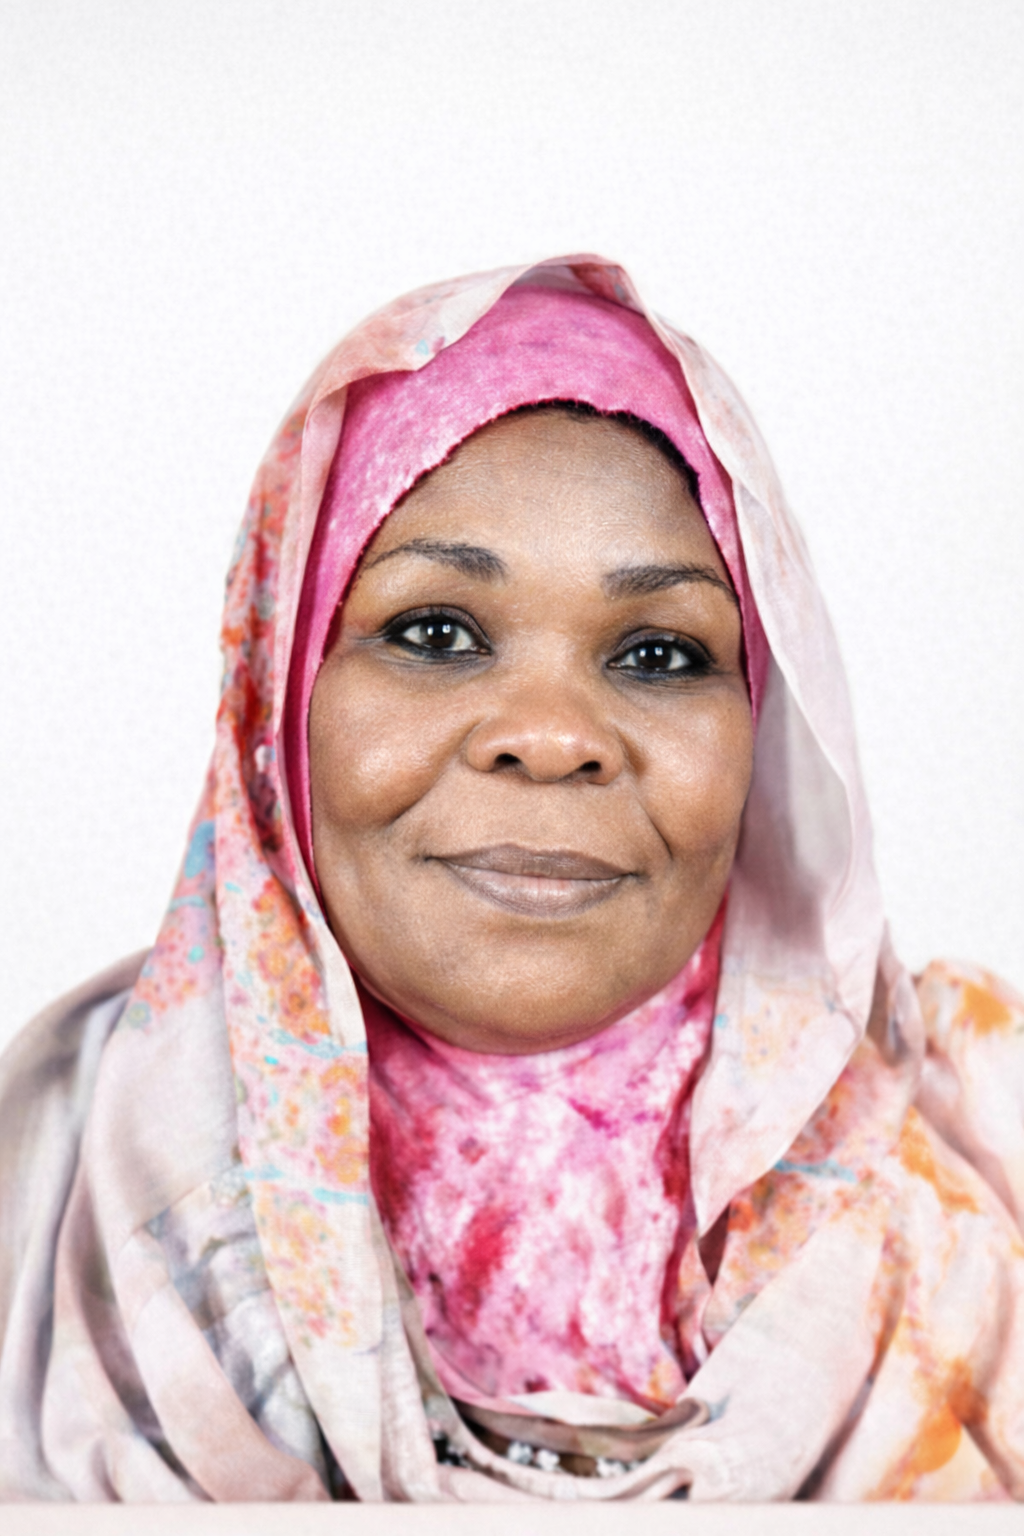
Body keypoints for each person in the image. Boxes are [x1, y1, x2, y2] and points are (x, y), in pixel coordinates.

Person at [1, 257, 1022, 1505]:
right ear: (277, 698)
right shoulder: (47, 1176)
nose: (551, 735)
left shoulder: (975, 1161)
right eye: (434, 632)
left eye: (659, 653)